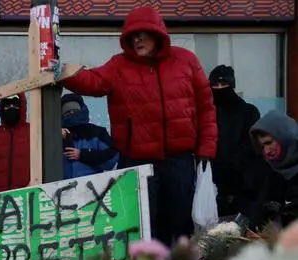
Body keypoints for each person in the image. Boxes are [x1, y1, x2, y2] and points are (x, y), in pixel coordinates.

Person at [62, 6, 217, 245]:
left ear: (156, 34)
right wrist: (61, 72)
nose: (136, 39)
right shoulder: (118, 66)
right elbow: (92, 81)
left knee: (181, 223)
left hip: (180, 160)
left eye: (141, 34)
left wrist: (206, 148)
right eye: (131, 36)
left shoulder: (186, 61)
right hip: (138, 161)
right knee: (145, 226)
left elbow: (206, 107)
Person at [208, 65, 263, 219]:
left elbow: (253, 145)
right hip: (211, 178)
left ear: (232, 85)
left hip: (242, 182)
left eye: (224, 84)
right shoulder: (206, 111)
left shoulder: (248, 111)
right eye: (215, 85)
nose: (219, 88)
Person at [240, 110, 298, 230]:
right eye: (262, 147)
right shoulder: (270, 172)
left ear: (284, 136)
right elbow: (257, 214)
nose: (267, 151)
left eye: (269, 143)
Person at [59, 93, 118, 180]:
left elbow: (111, 159)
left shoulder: (97, 132)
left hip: (92, 189)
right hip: (62, 191)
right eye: (67, 112)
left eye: (75, 110)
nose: (71, 113)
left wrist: (82, 154)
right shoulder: (55, 135)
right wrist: (55, 138)